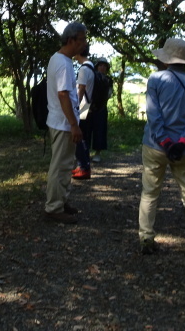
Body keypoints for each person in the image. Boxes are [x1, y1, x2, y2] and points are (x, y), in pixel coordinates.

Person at [138, 37, 185, 263]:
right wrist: (181, 143)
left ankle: (146, 239)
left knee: (150, 192)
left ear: (167, 59)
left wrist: (166, 142)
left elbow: (154, 115)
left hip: (155, 146)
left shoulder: (156, 79)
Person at [44, 22, 88, 224]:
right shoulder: (63, 63)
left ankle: (61, 201)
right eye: (82, 39)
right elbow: (63, 95)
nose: (84, 44)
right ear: (71, 40)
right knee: (60, 166)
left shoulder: (59, 59)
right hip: (63, 123)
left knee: (65, 165)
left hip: (60, 121)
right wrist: (73, 124)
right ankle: (54, 207)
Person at [72, 45, 95, 180]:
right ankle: (84, 166)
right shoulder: (91, 66)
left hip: (83, 106)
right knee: (84, 137)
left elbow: (81, 91)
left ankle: (83, 167)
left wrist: (74, 107)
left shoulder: (83, 69)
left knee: (79, 138)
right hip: (89, 105)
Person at [91, 59, 112, 163]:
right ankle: (83, 152)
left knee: (100, 131)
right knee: (85, 131)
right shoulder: (91, 76)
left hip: (101, 107)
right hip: (88, 107)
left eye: (104, 66)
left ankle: (97, 153)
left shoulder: (108, 80)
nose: (102, 67)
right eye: (100, 65)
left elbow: (109, 94)